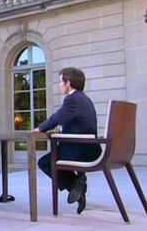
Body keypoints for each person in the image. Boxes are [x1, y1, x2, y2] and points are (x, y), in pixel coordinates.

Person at [33, 67, 101, 215]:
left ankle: (76, 186)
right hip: (89, 148)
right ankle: (78, 183)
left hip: (79, 151)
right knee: (55, 156)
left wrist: (40, 128)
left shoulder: (73, 99)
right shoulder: (84, 98)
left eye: (60, 82)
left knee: (45, 162)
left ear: (68, 83)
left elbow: (57, 118)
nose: (59, 85)